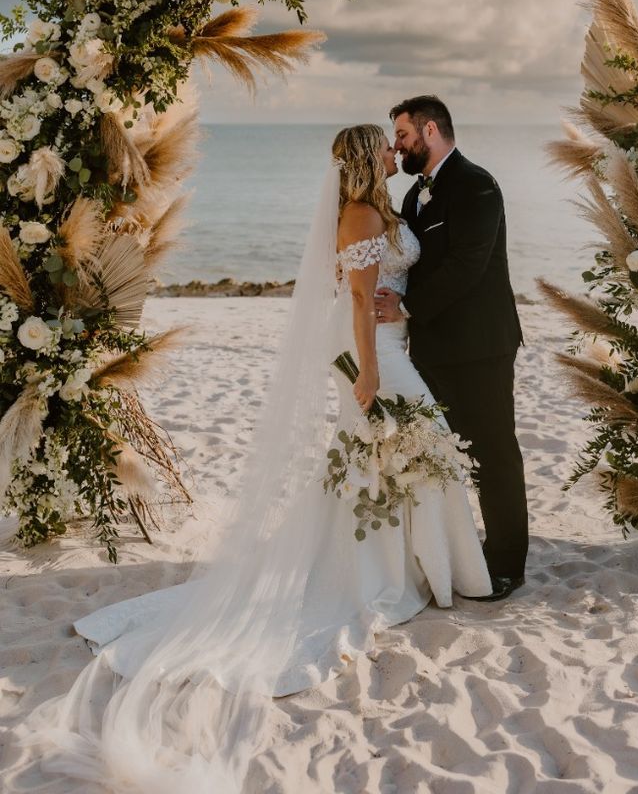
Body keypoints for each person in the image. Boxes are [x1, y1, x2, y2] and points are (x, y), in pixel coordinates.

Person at [7, 124, 491, 794]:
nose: (391, 151)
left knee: (389, 452)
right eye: (382, 145)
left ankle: (404, 560)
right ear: (364, 159)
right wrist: (370, 371)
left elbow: (386, 282)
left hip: (390, 342)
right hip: (366, 350)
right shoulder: (356, 214)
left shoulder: (383, 208)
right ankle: (388, 568)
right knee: (403, 442)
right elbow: (355, 298)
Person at [375, 96, 527, 601]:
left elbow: (467, 266)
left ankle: (506, 563)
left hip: (479, 346)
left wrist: (406, 307)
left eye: (402, 135)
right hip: (430, 349)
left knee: (493, 452)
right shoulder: (416, 194)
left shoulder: (477, 186)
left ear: (430, 129)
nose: (397, 145)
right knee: (441, 452)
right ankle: (453, 551)